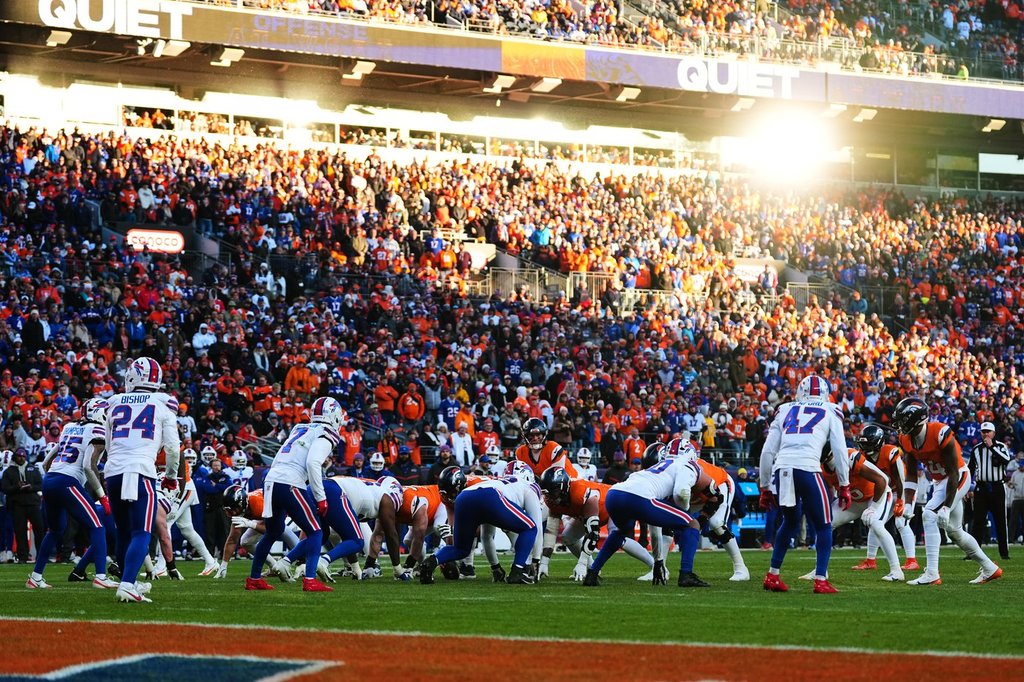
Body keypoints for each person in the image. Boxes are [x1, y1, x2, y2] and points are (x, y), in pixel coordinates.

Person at [892, 397, 1002, 585]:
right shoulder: (906, 438)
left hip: (958, 477)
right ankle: (990, 568)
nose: (900, 425)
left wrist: (946, 507)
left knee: (928, 514)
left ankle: (932, 573)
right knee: (954, 531)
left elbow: (953, 472)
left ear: (915, 419)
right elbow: (910, 474)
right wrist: (908, 503)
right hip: (940, 482)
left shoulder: (939, 432)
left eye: (903, 420)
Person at [759, 375, 851, 594]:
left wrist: (764, 486)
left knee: (789, 522)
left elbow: (767, 451)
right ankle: (820, 579)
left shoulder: (784, 409)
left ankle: (773, 575)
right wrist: (844, 484)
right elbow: (839, 449)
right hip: (808, 467)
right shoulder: (831, 409)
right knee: (823, 525)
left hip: (783, 468)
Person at [245, 396, 345, 593]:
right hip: (290, 481)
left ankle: (254, 578)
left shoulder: (299, 428)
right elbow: (313, 463)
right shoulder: (327, 433)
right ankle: (310, 580)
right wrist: (321, 497)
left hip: (272, 478)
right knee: (316, 531)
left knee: (273, 531)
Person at [103, 357, 181, 604]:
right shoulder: (163, 404)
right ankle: (126, 585)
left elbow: (108, 443)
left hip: (113, 471)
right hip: (140, 471)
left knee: (124, 532)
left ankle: (130, 580)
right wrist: (170, 476)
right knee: (141, 533)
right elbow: (172, 448)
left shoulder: (114, 401)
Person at [582, 439, 708, 588]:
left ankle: (592, 573)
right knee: (692, 524)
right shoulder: (685, 465)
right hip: (639, 497)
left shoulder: (649, 470)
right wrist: (658, 561)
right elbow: (680, 494)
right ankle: (686, 574)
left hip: (614, 494)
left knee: (619, 532)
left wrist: (658, 562)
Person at [27, 399, 116, 589]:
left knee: (55, 530)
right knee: (97, 527)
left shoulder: (69, 427)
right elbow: (87, 466)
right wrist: (102, 496)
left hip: (50, 479)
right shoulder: (97, 430)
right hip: (67, 481)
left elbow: (45, 463)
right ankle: (101, 576)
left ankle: (35, 577)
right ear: (98, 413)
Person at [419, 466, 542, 585]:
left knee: (460, 549)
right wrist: (536, 561)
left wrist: (495, 567)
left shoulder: (498, 482)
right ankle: (518, 570)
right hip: (490, 496)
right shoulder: (528, 487)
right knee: (530, 527)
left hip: (463, 497)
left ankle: (431, 562)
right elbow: (537, 527)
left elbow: (486, 535)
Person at [799, 447, 904, 582]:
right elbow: (829, 489)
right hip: (853, 500)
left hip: (876, 495)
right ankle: (820, 570)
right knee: (825, 524)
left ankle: (896, 570)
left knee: (876, 524)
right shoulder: (821, 467)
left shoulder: (849, 457)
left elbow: (882, 480)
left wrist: (874, 507)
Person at [538, 466, 655, 581]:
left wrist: (582, 563)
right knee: (568, 537)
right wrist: (544, 562)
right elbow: (551, 531)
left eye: (553, 492)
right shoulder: (552, 500)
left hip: (613, 504)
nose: (549, 497)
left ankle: (655, 566)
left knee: (618, 540)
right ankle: (592, 568)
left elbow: (593, 533)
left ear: (563, 488)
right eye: (547, 493)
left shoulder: (580, 492)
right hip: (590, 512)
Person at [514, 417, 577, 578]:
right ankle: (534, 563)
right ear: (525, 436)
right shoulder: (520, 452)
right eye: (532, 435)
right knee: (533, 522)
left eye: (538, 435)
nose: (535, 438)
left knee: (567, 533)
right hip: (546, 491)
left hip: (569, 489)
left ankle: (533, 563)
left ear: (544, 434)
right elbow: (524, 480)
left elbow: (557, 479)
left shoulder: (554, 448)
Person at [851, 424, 918, 572]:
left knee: (901, 522)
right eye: (864, 443)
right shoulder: (862, 455)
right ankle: (870, 560)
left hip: (904, 489)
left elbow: (901, 478)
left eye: (869, 443)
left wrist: (901, 500)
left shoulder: (890, 452)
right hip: (886, 491)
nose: (865, 446)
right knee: (875, 521)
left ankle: (912, 560)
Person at [214, 485, 300, 579]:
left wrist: (251, 524)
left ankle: (308, 561)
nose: (231, 513)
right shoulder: (240, 508)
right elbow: (233, 539)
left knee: (283, 529)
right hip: (266, 516)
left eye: (233, 509)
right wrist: (223, 565)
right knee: (246, 541)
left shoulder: (258, 504)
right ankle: (274, 566)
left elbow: (274, 529)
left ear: (242, 503)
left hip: (285, 510)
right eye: (228, 509)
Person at [164, 448, 219, 576]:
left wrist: (177, 501)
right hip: (177, 489)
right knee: (187, 529)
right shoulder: (158, 448)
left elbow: (182, 476)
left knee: (165, 524)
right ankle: (210, 561)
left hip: (184, 488)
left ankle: (162, 566)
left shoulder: (172, 449)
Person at [969, 421, 1012, 560]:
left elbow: (1006, 460)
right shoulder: (976, 449)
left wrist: (992, 447)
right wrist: (968, 487)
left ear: (993, 433)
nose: (986, 434)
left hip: (997, 487)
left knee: (1000, 521)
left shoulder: (1001, 446)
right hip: (981, 487)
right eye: (983, 431)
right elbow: (970, 469)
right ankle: (974, 553)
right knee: (978, 521)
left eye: (988, 431)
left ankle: (1004, 553)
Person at [1, 448, 43, 566]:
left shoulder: (33, 469)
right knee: (20, 532)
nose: (21, 458)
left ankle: (41, 555)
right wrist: (16, 487)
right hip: (17, 504)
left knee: (39, 529)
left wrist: (31, 488)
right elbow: (4, 488)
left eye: (24, 456)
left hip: (33, 503)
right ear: (15, 457)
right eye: (19, 456)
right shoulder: (9, 471)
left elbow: (40, 485)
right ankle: (22, 556)